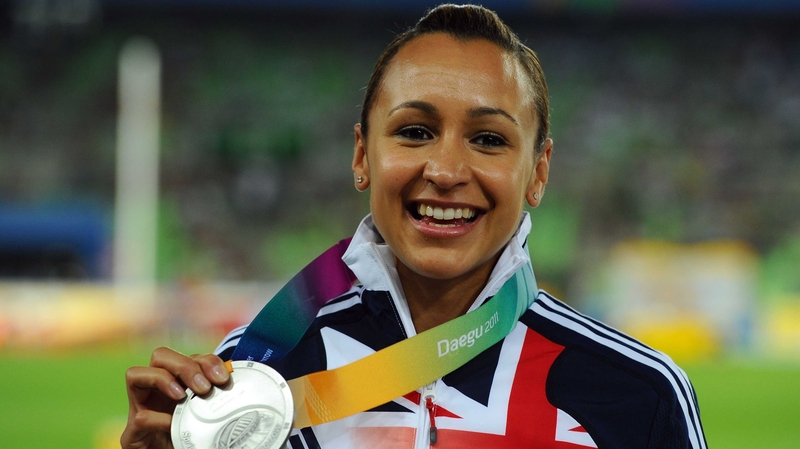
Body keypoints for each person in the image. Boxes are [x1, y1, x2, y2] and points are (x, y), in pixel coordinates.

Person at [122, 4, 707, 449]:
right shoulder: (248, 387)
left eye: (488, 139)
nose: (447, 170)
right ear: (361, 157)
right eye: (415, 132)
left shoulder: (640, 395)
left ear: (538, 171)